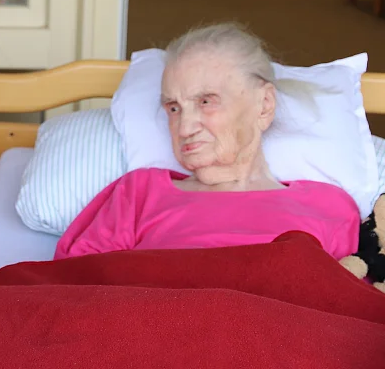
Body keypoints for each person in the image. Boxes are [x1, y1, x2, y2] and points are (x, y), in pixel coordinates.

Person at [54, 22, 360, 261]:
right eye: (173, 108)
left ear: (264, 105)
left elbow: (351, 309)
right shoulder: (137, 195)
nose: (185, 127)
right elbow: (74, 288)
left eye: (206, 101)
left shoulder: (329, 206)